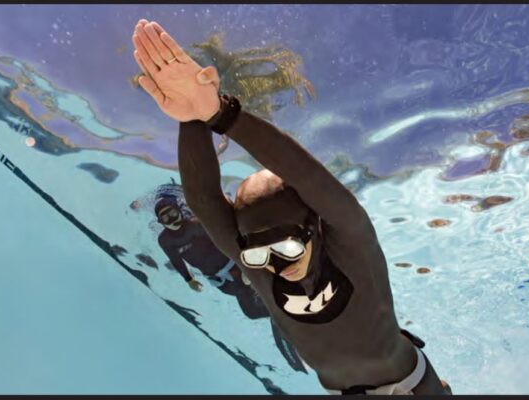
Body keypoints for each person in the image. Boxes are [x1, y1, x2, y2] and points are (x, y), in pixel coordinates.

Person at [132, 19, 451, 395]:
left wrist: (221, 115)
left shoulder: (351, 241)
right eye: (259, 253)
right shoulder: (259, 263)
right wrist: (190, 120)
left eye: (287, 247)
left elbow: (306, 175)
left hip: (413, 385)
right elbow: (203, 203)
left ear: (313, 225)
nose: (276, 264)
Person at [155, 193, 308, 373]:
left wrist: (245, 265)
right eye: (165, 218)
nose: (171, 220)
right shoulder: (165, 241)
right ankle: (283, 314)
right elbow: (176, 260)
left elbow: (231, 238)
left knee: (258, 302)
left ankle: (287, 314)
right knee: (252, 311)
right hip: (223, 283)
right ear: (160, 222)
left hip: (237, 270)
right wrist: (189, 279)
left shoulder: (197, 225)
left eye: (172, 213)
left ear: (180, 210)